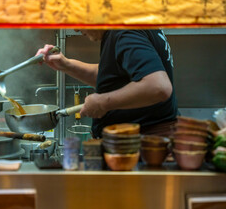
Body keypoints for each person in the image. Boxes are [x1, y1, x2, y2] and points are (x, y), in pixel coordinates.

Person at [36, 30, 179, 138]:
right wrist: (65, 65)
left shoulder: (125, 33)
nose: (75, 28)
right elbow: (114, 77)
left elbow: (158, 87)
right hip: (135, 144)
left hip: (140, 149)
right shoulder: (126, 28)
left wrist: (102, 102)